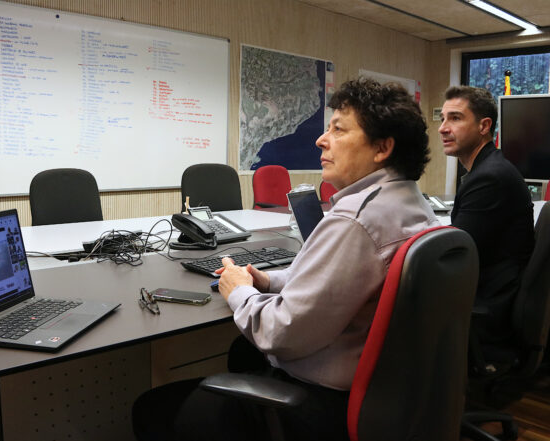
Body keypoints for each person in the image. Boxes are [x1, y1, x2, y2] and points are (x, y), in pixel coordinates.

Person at [132, 78, 439, 441]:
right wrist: (269, 280)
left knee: (152, 408)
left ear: (382, 148)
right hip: (386, 395)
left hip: (327, 404)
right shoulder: (410, 203)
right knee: (241, 353)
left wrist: (239, 291)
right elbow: (340, 281)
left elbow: (279, 331)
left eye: (338, 130)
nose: (321, 140)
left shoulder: (356, 220)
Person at [438, 86, 534, 344]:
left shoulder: (490, 178)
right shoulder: (489, 168)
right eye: (443, 119)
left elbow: (454, 255)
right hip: (489, 291)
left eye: (455, 118)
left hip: (487, 306)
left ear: (484, 126)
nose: (443, 128)